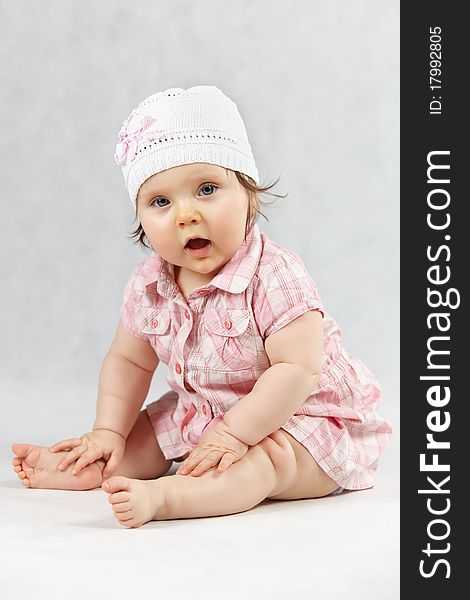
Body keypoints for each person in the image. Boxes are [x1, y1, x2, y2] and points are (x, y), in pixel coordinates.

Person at [11, 85, 392, 528]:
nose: (185, 214)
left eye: (207, 189)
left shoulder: (275, 275)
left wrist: (234, 435)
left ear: (249, 192)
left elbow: (296, 370)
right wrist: (109, 431)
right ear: (140, 218)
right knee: (141, 439)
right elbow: (129, 362)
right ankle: (98, 466)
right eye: (160, 202)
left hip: (301, 418)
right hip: (208, 409)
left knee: (266, 463)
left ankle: (170, 498)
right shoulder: (151, 284)